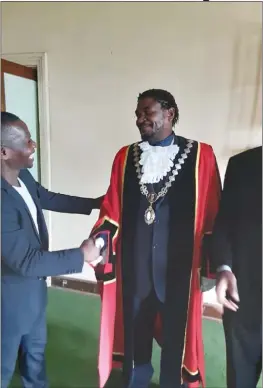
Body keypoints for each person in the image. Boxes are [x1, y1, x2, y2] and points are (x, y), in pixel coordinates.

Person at [89, 89, 221, 388]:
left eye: (147, 112)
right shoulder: (125, 156)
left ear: (169, 113)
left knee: (177, 337)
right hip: (134, 268)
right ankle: (136, 378)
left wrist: (213, 268)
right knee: (136, 333)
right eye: (138, 114)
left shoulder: (202, 155)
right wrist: (99, 242)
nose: (140, 119)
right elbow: (112, 207)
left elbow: (212, 211)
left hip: (179, 270)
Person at [1, 111, 104, 388]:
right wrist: (81, 255)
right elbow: (26, 261)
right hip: (8, 302)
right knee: (3, 366)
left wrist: (95, 203)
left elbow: (46, 197)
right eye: (26, 142)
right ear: (4, 152)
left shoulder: (22, 177)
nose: (33, 146)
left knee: (35, 357)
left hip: (33, 294)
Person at [212, 146, 262, 388]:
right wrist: (224, 268)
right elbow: (223, 224)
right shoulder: (242, 164)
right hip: (242, 294)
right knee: (240, 379)